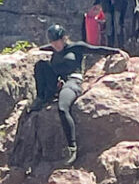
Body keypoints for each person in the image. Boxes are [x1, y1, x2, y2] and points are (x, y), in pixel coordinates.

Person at [30, 24, 121, 165]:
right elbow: (42, 50)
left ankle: (72, 147)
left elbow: (96, 49)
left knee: (63, 108)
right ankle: (41, 98)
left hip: (73, 81)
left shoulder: (76, 47)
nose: (55, 45)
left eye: (57, 41)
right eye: (53, 42)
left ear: (64, 38)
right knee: (41, 65)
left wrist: (117, 51)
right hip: (58, 82)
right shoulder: (53, 49)